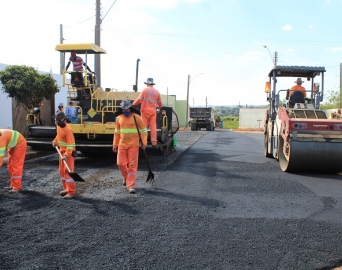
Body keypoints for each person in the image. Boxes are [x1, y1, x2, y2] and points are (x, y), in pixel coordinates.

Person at [112, 99, 147, 194]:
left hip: (133, 146)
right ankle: (126, 177)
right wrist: (115, 144)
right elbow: (117, 132)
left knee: (132, 166)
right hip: (122, 145)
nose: (125, 111)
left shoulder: (136, 117)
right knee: (120, 164)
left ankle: (130, 185)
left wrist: (143, 142)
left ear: (130, 108)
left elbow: (144, 130)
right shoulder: (119, 118)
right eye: (123, 109)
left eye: (127, 109)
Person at [52, 112, 77, 199]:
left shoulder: (68, 130)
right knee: (61, 171)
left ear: (64, 119)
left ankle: (71, 192)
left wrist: (66, 155)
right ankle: (66, 189)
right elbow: (58, 136)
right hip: (62, 152)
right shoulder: (59, 126)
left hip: (68, 154)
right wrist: (55, 141)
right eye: (56, 120)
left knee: (68, 172)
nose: (57, 122)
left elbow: (70, 145)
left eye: (59, 120)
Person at [132, 78, 162, 147]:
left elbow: (139, 100)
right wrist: (160, 107)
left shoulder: (144, 90)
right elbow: (160, 103)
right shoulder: (157, 92)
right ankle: (154, 142)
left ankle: (143, 143)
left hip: (145, 111)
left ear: (147, 83)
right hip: (153, 112)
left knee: (143, 127)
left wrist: (133, 104)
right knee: (153, 127)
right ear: (152, 83)